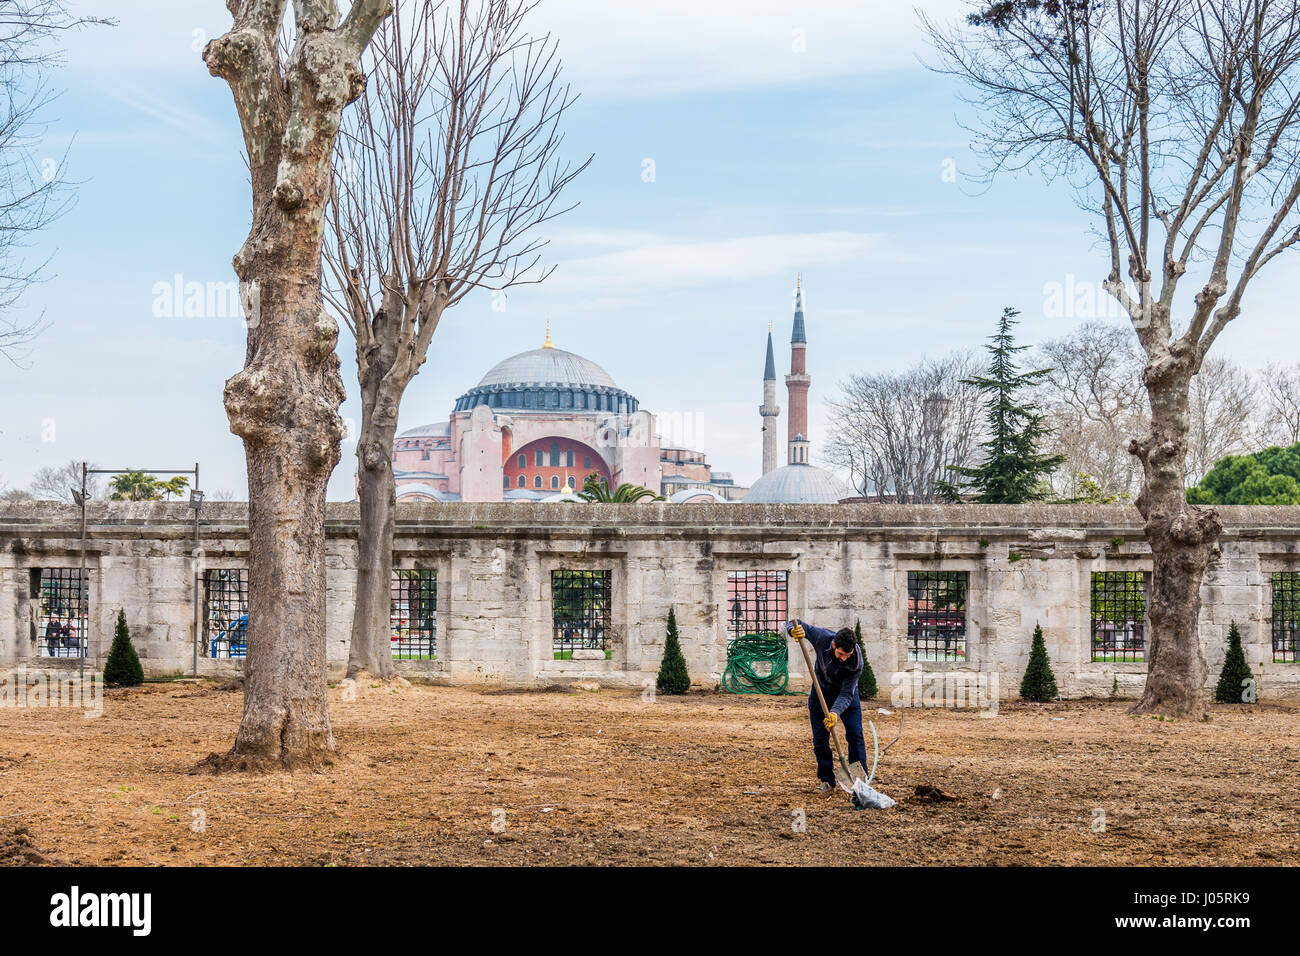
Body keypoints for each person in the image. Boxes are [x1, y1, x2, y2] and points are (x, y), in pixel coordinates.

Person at [786, 619, 868, 793]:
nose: (844, 658)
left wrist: (835, 713)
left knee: (855, 735)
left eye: (847, 654)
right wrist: (792, 631)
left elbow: (847, 694)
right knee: (820, 739)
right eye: (840, 654)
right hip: (820, 691)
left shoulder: (856, 662)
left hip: (847, 694)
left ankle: (860, 782)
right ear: (833, 645)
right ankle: (827, 781)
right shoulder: (822, 637)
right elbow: (797, 624)